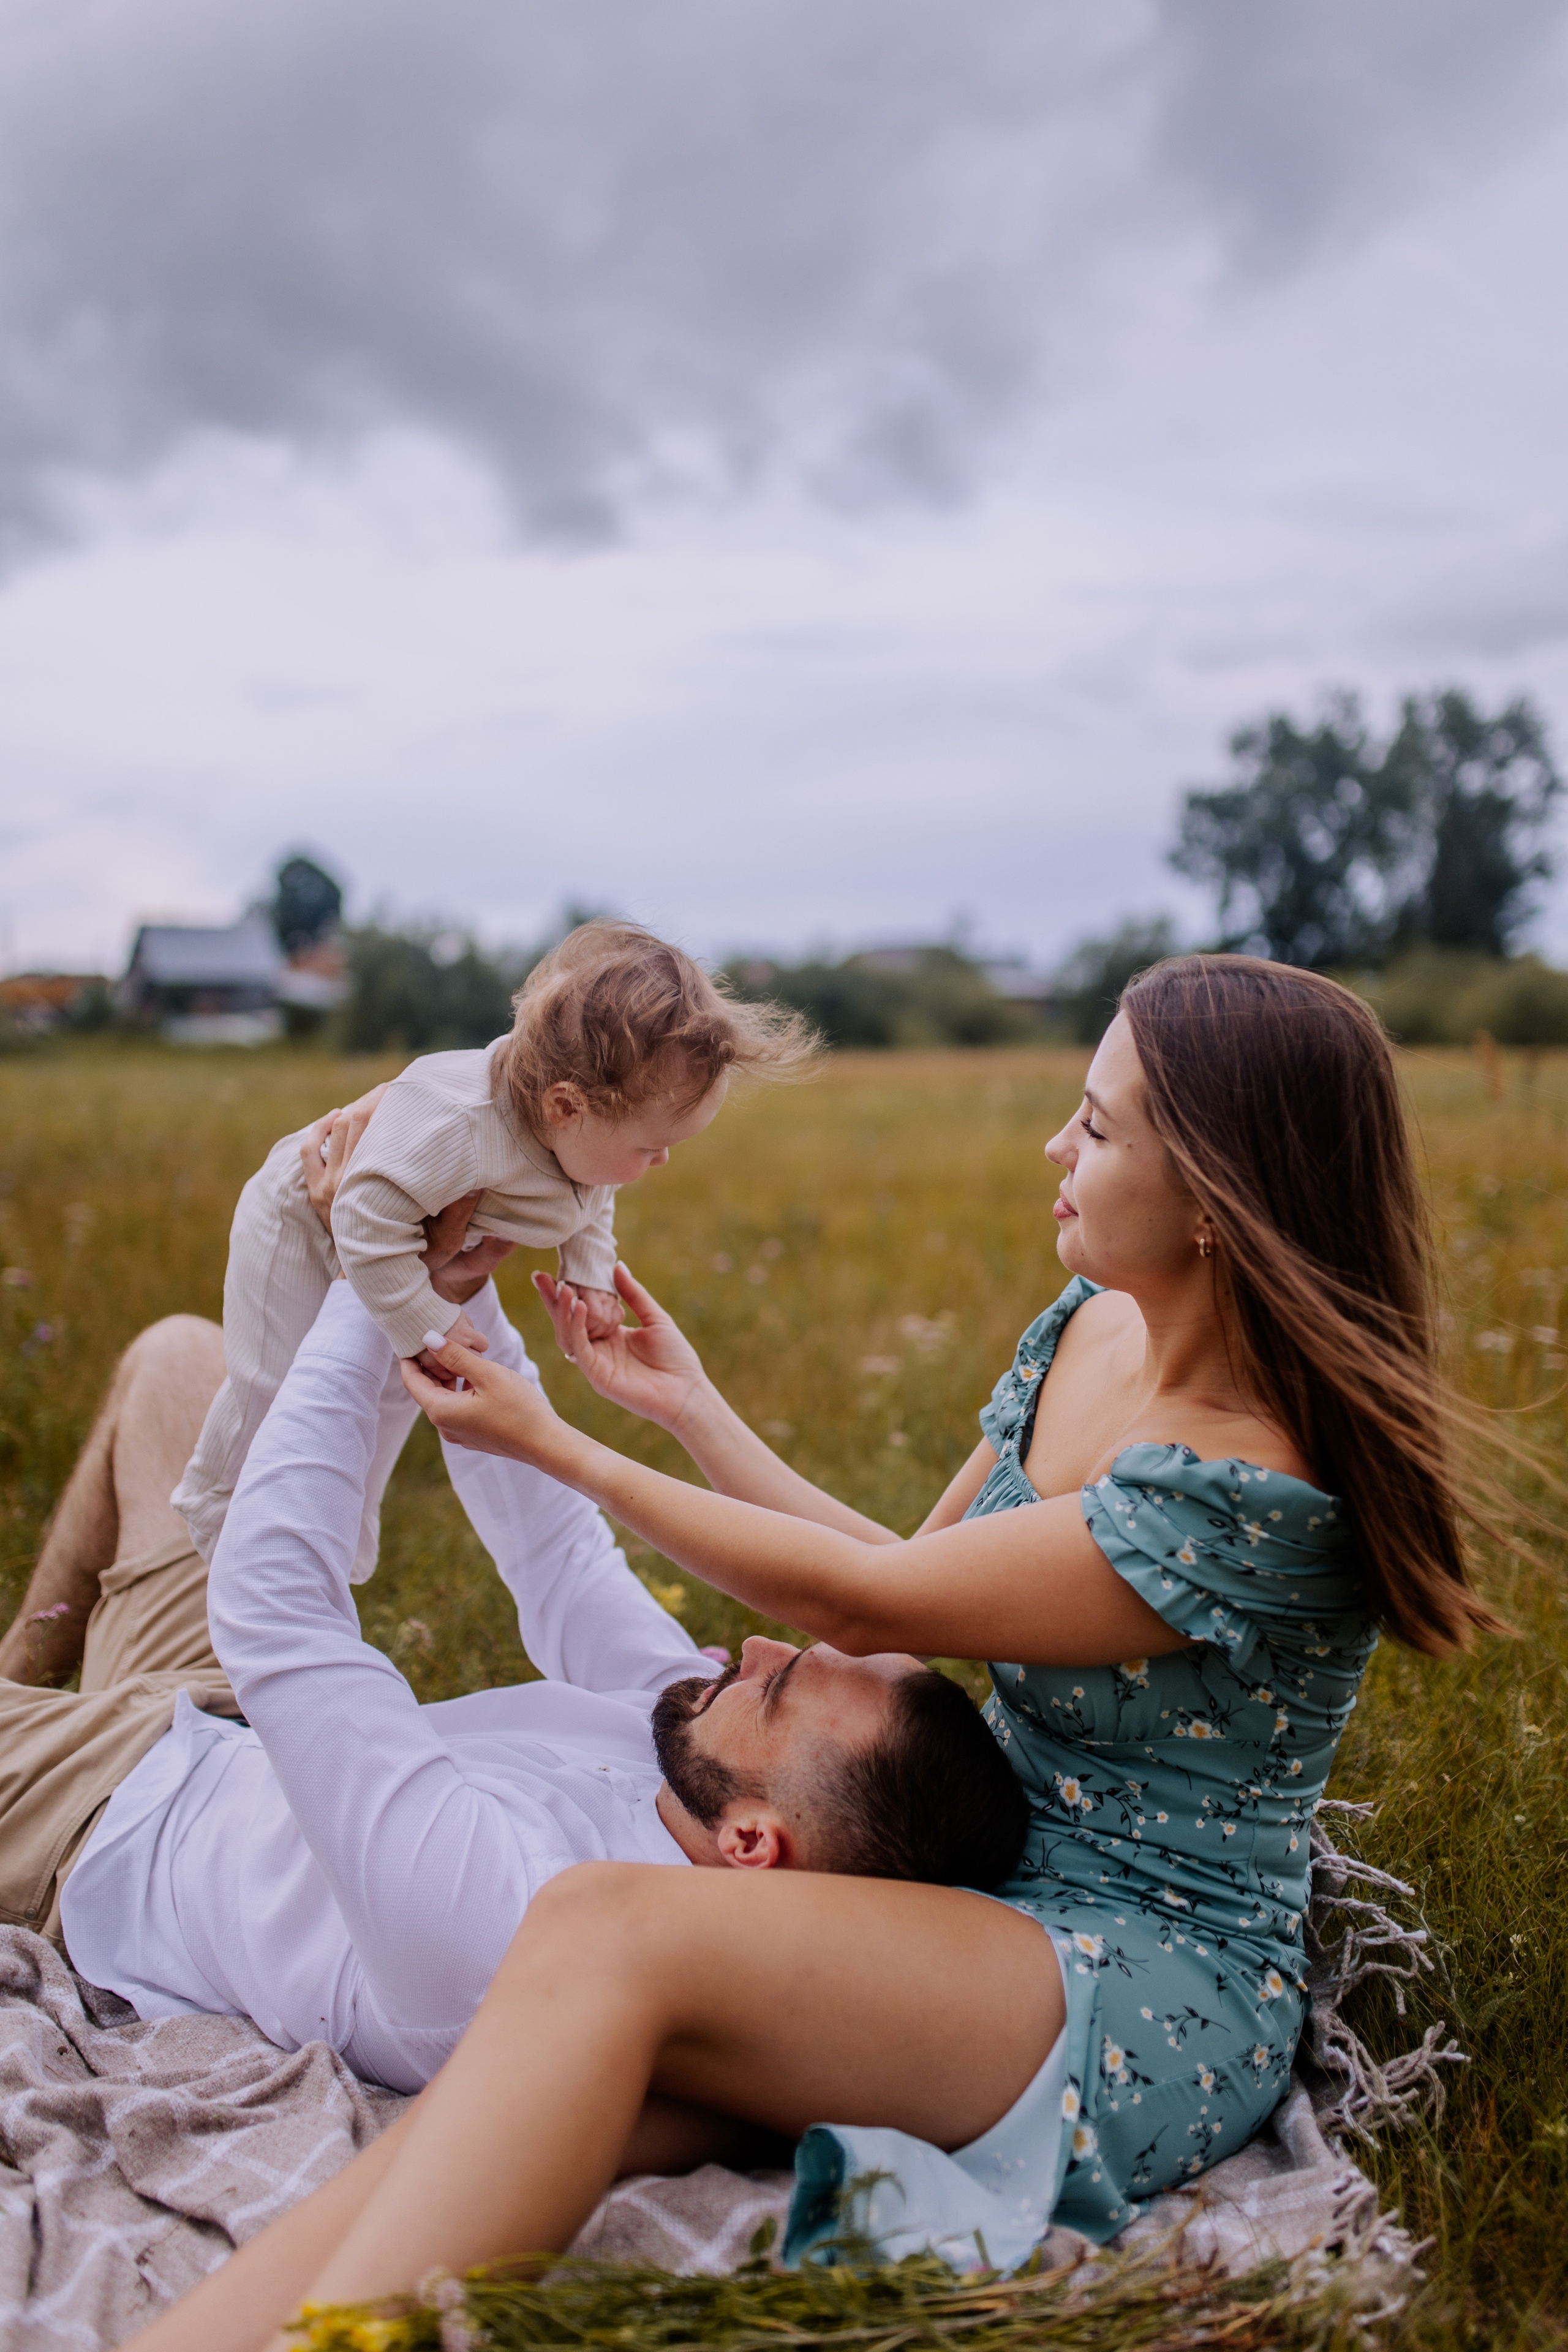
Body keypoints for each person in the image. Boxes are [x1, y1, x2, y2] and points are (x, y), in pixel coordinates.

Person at [130, 956, 1504, 2352]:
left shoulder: (1237, 1490)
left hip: (1135, 1969)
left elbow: (855, 1606)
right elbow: (906, 1587)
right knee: (529, 2088)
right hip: (982, 1874)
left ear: (1217, 1193)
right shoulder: (1088, 1331)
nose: (1053, 1145)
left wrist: (558, 1445)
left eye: (1093, 1126)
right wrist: (688, 1406)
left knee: (604, 1928)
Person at [0, 1129, 1022, 2106]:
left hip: (107, 1828)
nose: (753, 1646)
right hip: (221, 1726)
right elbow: (563, 1562)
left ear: (757, 1843)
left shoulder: (513, 1934)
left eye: (781, 1685)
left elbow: (280, 1612)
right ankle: (27, 1665)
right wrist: (457, 1257)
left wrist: (374, 1274)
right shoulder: (694, 1755)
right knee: (181, 1361)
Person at [171, 921, 812, 1581]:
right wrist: (428, 1319)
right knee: (273, 1381)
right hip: (304, 1217)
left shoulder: (580, 1138)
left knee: (380, 1397)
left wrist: (588, 1271)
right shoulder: (461, 1123)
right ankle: (218, 1502)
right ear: (566, 1107)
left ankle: (327, 1537)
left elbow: (592, 1194)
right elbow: (359, 1216)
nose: (663, 1160)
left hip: (397, 1238)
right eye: (649, 1146)